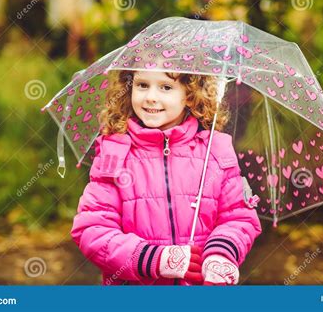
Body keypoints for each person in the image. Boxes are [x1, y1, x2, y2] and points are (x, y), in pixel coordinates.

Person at [71, 69, 262, 285]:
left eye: (166, 87)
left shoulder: (216, 152)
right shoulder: (115, 153)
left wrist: (221, 253)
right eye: (142, 85)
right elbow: (92, 229)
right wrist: (154, 259)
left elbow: (238, 217)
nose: (151, 96)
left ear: (190, 95)